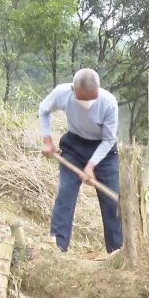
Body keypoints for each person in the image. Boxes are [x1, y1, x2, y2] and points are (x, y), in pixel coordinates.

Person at [39, 68, 122, 253]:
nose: (88, 104)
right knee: (65, 195)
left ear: (98, 90)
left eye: (92, 99)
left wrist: (91, 165)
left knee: (112, 201)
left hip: (104, 151)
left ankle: (117, 252)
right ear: (73, 90)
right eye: (83, 99)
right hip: (74, 147)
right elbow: (44, 109)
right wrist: (47, 140)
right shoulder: (62, 93)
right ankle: (57, 248)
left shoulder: (108, 103)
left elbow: (109, 140)